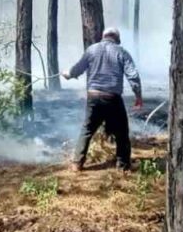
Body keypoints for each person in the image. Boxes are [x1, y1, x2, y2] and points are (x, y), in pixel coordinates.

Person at [61, 27, 142, 171]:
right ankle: (123, 166)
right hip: (112, 98)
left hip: (93, 97)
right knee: (122, 132)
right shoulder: (121, 52)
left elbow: (77, 69)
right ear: (117, 39)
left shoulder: (91, 50)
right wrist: (138, 96)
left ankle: (77, 163)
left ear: (103, 36)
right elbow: (133, 76)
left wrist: (67, 74)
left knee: (87, 130)